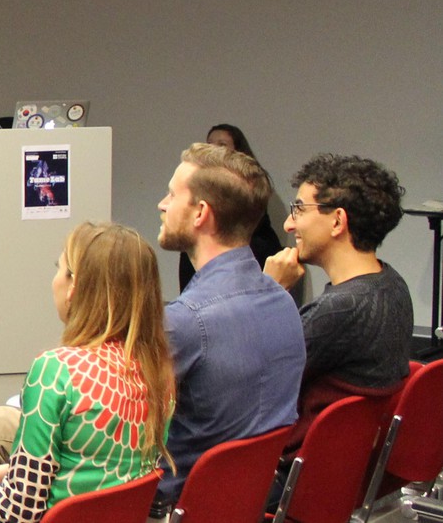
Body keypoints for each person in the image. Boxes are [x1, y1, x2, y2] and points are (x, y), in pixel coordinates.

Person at [0, 222, 176, 522]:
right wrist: (16, 474)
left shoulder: (56, 372)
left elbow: (19, 512)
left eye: (60, 267)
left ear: (74, 288)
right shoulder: (159, 372)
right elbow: (100, 477)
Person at [154, 142, 305, 507]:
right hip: (245, 501)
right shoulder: (284, 302)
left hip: (174, 503)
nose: (162, 204)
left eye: (173, 194)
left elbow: (111, 417)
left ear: (200, 213)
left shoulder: (186, 318)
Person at [264, 154, 412, 457]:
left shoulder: (341, 309)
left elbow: (254, 381)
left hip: (288, 477)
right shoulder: (393, 284)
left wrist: (270, 291)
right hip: (343, 472)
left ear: (337, 221)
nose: (289, 224)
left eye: (299, 210)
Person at [178, 124, 281, 291]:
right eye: (209, 143)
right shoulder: (199, 182)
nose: (213, 149)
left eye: (221, 144)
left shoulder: (250, 181)